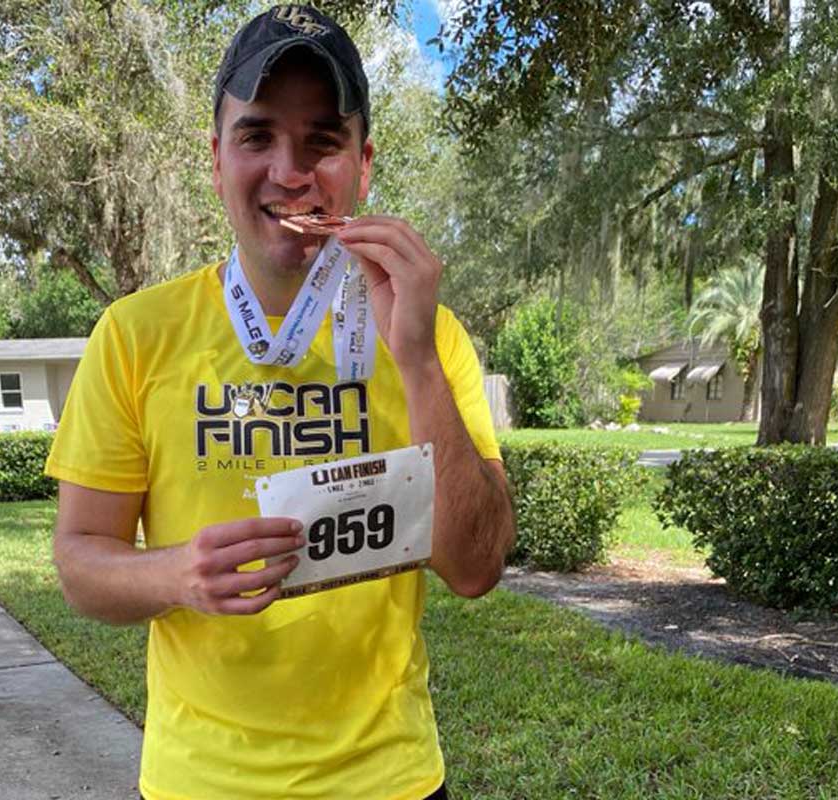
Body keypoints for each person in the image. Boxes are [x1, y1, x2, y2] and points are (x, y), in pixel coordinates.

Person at [46, 5, 516, 799]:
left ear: (363, 165)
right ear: (216, 156)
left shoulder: (432, 336)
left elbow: (476, 567)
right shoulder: (135, 335)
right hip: (199, 783)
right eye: (257, 135)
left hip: (390, 780)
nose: (289, 170)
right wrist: (177, 575)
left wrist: (417, 360)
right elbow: (79, 562)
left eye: (322, 141)